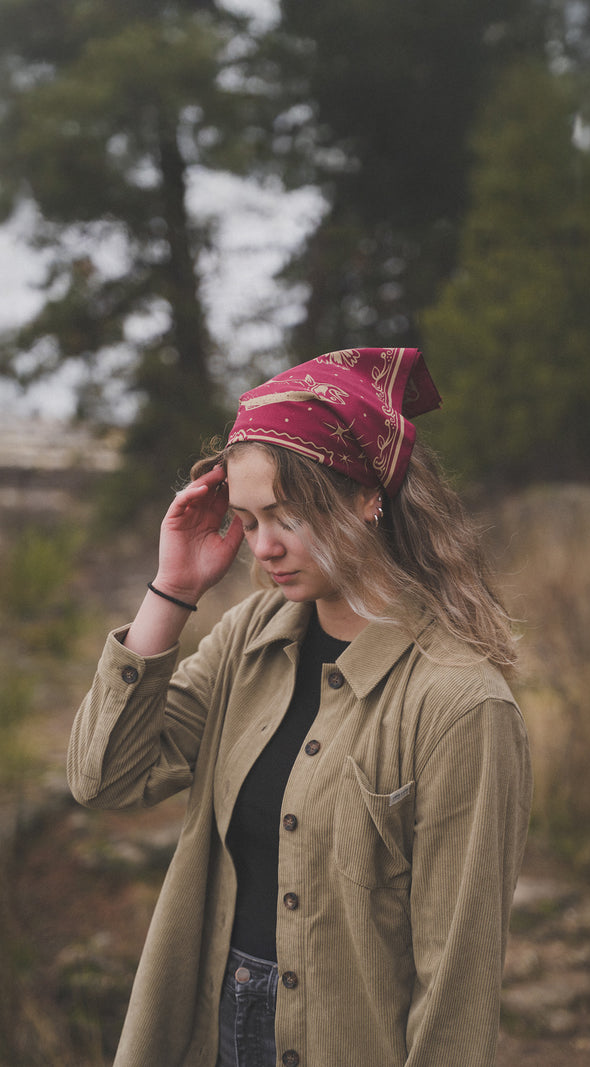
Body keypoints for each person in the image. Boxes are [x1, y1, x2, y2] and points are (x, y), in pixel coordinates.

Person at [68, 346, 533, 1067]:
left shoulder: (460, 703)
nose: (266, 548)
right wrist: (173, 588)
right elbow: (107, 778)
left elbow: (457, 983)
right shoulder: (248, 637)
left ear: (364, 494)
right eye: (250, 521)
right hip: (207, 1031)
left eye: (286, 515)